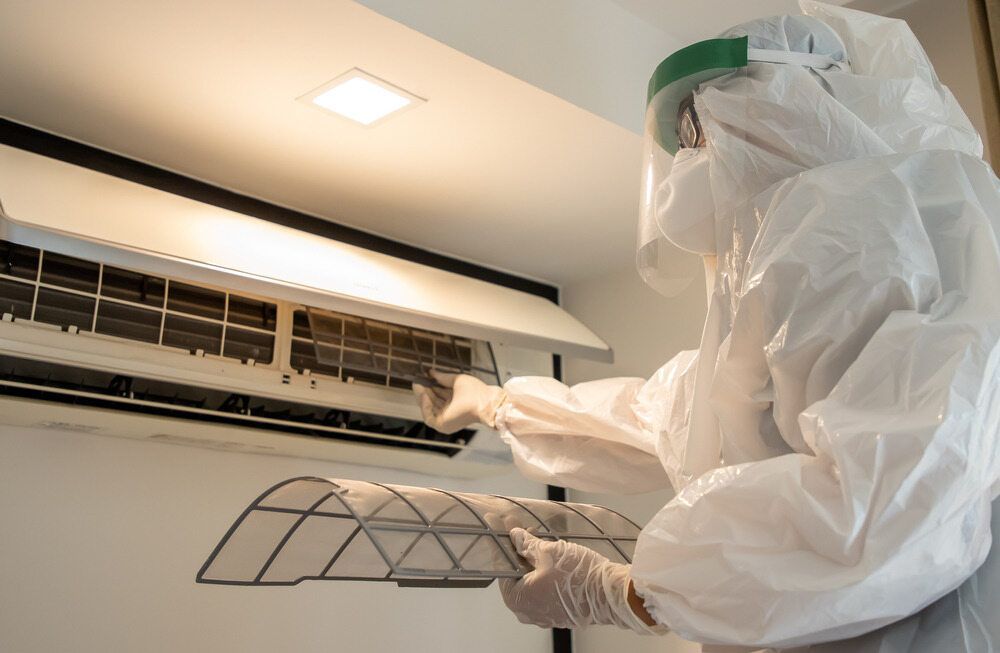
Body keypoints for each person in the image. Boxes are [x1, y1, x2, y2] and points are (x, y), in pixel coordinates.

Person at [413, 1, 1000, 651]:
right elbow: (662, 413)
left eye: (698, 128)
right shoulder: (786, 275)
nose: (692, 154)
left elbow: (878, 513)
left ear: (780, 101)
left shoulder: (864, 241)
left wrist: (626, 592)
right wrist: (499, 404)